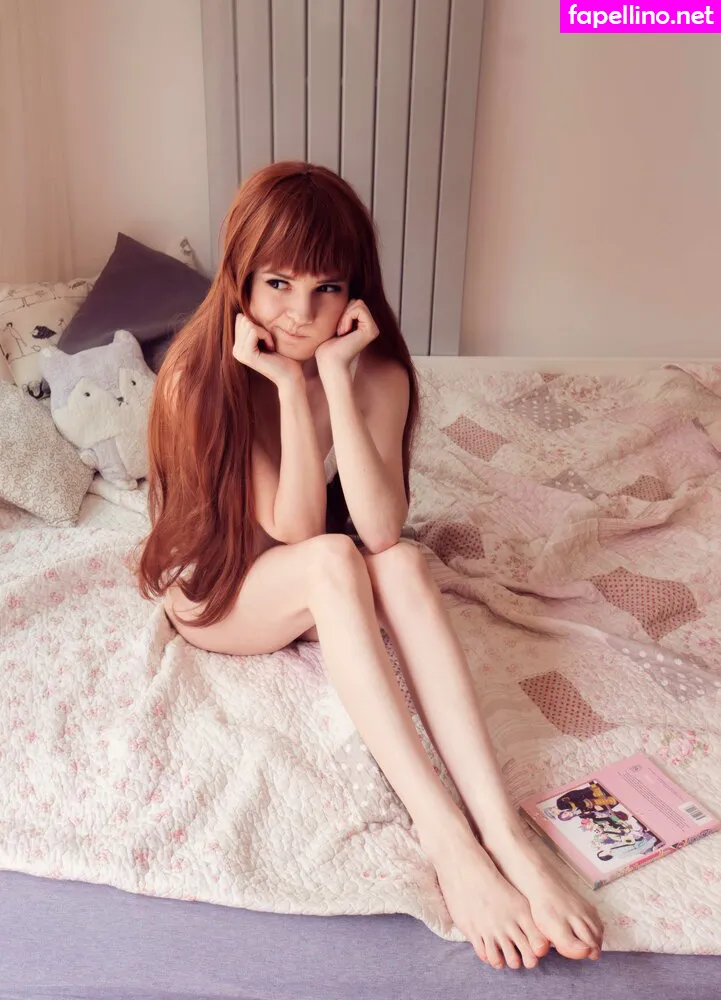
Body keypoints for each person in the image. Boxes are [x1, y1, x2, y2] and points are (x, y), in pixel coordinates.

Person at [137, 160, 603, 971]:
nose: (301, 313)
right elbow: (292, 529)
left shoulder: (375, 370)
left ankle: (505, 836)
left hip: (323, 573)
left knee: (407, 566)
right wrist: (286, 386)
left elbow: (381, 530)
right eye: (277, 283)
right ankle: (446, 836)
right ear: (239, 276)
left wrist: (335, 376)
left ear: (353, 290)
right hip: (219, 588)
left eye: (326, 288)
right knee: (328, 559)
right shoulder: (196, 376)